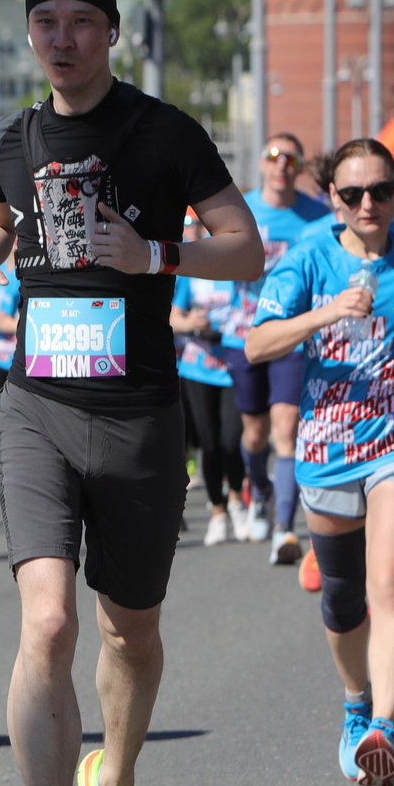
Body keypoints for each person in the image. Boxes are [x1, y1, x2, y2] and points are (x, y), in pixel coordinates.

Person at [0, 0, 261, 786]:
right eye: (45, 21)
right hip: (34, 406)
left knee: (129, 630)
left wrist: (155, 252)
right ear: (31, 31)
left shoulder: (163, 134)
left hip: (137, 412)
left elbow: (247, 251)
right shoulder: (10, 141)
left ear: (110, 31)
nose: (61, 37)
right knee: (45, 622)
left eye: (80, 21)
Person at [248, 139, 394, 786]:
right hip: (327, 446)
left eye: (380, 190)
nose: (368, 203)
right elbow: (258, 342)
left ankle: (386, 726)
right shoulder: (309, 258)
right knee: (344, 599)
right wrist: (328, 310)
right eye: (353, 195)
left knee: (391, 587)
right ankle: (356, 703)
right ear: (333, 200)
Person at [238, 133, 334, 569]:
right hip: (245, 332)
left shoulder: (318, 216)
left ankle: (284, 528)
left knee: (285, 427)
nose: (281, 164)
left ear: (297, 167)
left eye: (290, 158)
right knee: (254, 434)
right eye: (273, 155)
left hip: (295, 335)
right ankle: (258, 488)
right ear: (262, 163)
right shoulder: (243, 209)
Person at [170, 222, 249, 546]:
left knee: (233, 441)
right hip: (198, 367)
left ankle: (236, 501)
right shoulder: (192, 269)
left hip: (233, 366)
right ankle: (218, 512)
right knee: (211, 445)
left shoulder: (239, 266)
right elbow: (174, 316)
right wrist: (191, 322)